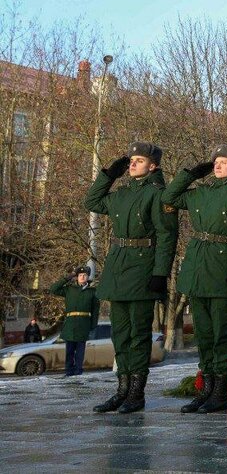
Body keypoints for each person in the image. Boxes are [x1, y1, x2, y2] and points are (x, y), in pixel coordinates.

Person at [162, 144, 227, 414]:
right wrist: (190, 174)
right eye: (215, 161)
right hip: (197, 267)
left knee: (222, 335)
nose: (217, 165)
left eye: (224, 162)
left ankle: (219, 393)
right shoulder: (201, 192)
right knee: (204, 335)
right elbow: (169, 197)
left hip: (223, 266)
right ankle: (205, 390)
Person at [84, 141, 178, 414]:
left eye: (139, 160)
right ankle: (122, 390)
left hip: (142, 268)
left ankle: (136, 394)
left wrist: (160, 273)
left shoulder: (158, 194)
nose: (133, 164)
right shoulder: (122, 194)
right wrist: (108, 175)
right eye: (131, 160)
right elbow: (91, 201)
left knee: (138, 335)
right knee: (121, 335)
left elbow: (166, 236)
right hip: (117, 269)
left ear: (153, 166)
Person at [48, 267, 99, 377]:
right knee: (69, 351)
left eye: (85, 275)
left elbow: (95, 311)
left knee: (80, 352)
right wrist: (68, 277)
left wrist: (92, 326)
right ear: (77, 277)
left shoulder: (92, 292)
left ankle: (78, 372)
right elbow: (53, 289)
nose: (82, 277)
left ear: (88, 277)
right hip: (71, 324)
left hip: (84, 324)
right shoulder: (69, 289)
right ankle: (69, 372)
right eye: (80, 275)